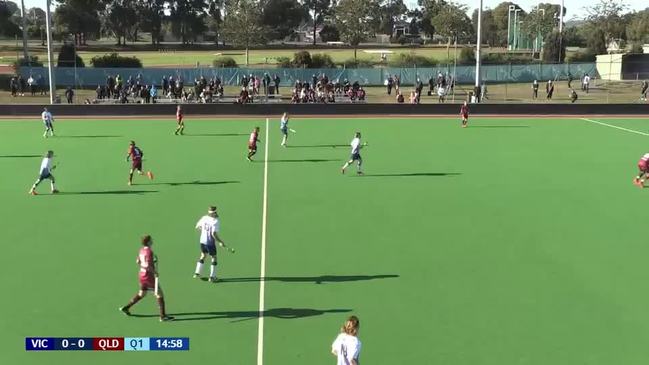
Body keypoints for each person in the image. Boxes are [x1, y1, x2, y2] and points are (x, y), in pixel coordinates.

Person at [119, 235, 174, 322]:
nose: (152, 240)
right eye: (151, 239)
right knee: (159, 294)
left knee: (142, 294)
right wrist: (154, 272)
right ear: (148, 242)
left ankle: (126, 307)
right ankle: (162, 316)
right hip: (149, 275)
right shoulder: (149, 251)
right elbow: (148, 265)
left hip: (141, 274)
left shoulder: (141, 250)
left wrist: (151, 263)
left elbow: (138, 261)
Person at [193, 206, 229, 282]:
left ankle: (197, 272)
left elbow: (197, 227)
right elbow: (213, 234)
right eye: (215, 212)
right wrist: (220, 242)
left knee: (203, 255)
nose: (216, 213)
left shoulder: (204, 218)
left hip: (202, 241)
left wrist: (204, 232)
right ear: (213, 213)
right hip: (210, 243)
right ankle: (212, 277)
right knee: (214, 257)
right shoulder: (215, 221)